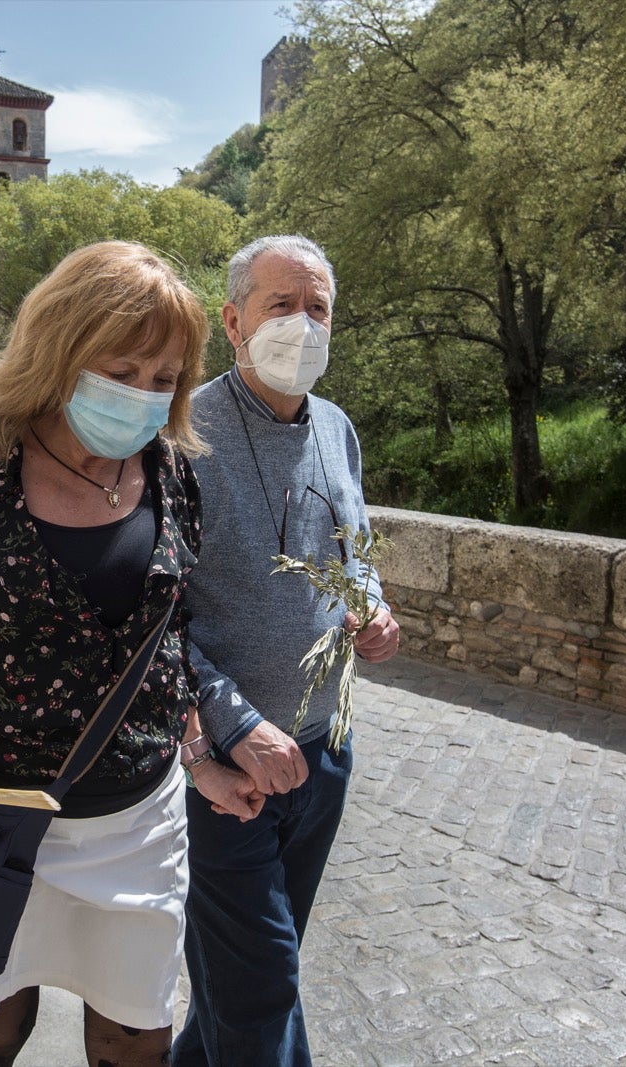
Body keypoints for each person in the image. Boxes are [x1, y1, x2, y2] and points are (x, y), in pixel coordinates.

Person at [0, 241, 261, 1067]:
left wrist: (199, 756)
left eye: (166, 378)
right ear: (60, 349)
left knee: (135, 1037)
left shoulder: (174, 473)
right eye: (124, 369)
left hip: (137, 823)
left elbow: (166, 641)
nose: (147, 396)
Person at [172, 235, 402, 1067]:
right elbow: (152, 619)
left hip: (322, 759)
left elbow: (357, 554)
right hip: (227, 772)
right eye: (281, 305)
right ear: (233, 322)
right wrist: (230, 726)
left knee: (246, 982)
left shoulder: (337, 428)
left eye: (318, 309)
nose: (302, 325)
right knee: (263, 987)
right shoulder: (182, 435)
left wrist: (373, 608)